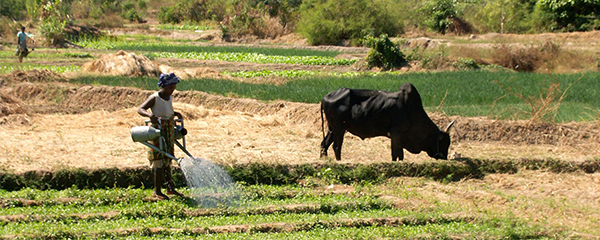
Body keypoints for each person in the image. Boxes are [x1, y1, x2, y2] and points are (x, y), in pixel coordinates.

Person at [138, 72, 185, 200]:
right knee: (158, 160)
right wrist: (150, 116)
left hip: (168, 130)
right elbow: (140, 109)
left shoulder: (169, 97)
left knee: (167, 159)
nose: (172, 90)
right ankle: (157, 191)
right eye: (170, 88)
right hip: (158, 131)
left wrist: (175, 113)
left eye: (174, 88)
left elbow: (166, 110)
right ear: (163, 86)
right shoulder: (155, 97)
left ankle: (170, 188)